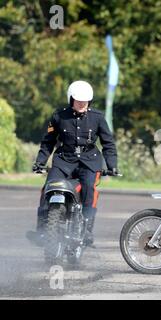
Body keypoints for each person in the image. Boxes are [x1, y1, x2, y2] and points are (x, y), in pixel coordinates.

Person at [26, 80, 118, 246]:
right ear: (71, 100)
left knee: (90, 188)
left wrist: (112, 166)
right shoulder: (58, 116)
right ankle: (41, 229)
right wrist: (40, 162)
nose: (82, 103)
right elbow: (48, 142)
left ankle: (87, 231)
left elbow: (108, 143)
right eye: (78, 100)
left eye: (85, 100)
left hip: (90, 162)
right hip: (64, 160)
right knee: (48, 187)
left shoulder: (98, 118)